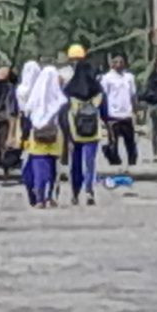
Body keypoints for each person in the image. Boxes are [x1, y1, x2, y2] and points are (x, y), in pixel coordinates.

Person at [22, 65, 68, 208]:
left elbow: (27, 116)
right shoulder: (61, 100)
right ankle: (50, 197)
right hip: (55, 138)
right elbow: (64, 122)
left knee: (38, 169)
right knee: (53, 169)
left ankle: (39, 199)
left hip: (36, 138)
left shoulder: (34, 99)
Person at [63, 60, 104, 206]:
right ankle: (89, 190)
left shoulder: (69, 89)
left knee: (75, 163)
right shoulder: (97, 89)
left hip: (75, 131)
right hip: (93, 131)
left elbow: (63, 112)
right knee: (90, 162)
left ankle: (75, 192)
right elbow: (103, 110)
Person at [100, 53, 139, 170]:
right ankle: (113, 161)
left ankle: (132, 162)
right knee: (113, 141)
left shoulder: (129, 77)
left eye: (121, 62)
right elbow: (103, 96)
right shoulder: (106, 78)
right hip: (113, 115)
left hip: (126, 114)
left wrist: (136, 109)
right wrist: (103, 115)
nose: (119, 64)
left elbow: (133, 95)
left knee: (130, 141)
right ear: (112, 64)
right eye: (116, 62)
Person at [15, 60, 41, 206]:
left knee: (27, 162)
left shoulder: (20, 90)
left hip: (25, 127)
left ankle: (31, 192)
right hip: (41, 128)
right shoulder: (42, 88)